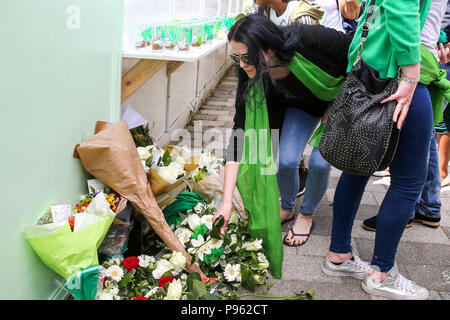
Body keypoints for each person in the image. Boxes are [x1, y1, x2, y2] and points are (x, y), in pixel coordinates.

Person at [213, 14, 352, 278]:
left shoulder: (309, 38)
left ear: (269, 49)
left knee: (321, 162)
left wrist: (339, 103)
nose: (241, 65)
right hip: (301, 106)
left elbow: (356, 55)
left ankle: (307, 215)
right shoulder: (252, 74)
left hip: (339, 98)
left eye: (246, 57)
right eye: (236, 57)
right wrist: (227, 201)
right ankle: (288, 206)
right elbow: (239, 135)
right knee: (286, 160)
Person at [322, 0, 432, 300]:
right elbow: (400, 6)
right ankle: (381, 273)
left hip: (371, 66)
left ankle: (339, 254)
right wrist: (411, 71)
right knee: (409, 182)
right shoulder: (406, 73)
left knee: (357, 169)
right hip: (396, 75)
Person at [362, 0, 449, 232]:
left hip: (414, 56)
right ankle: (428, 207)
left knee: (410, 147)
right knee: (426, 137)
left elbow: (401, 10)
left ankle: (408, 211)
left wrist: (411, 70)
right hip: (425, 52)